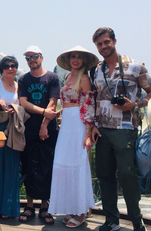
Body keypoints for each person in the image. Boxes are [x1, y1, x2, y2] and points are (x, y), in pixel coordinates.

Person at [91, 28, 151, 231]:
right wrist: (93, 125)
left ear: (114, 41)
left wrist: (135, 105)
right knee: (104, 175)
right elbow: (94, 99)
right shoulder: (96, 69)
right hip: (102, 130)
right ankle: (111, 220)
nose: (103, 47)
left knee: (127, 175)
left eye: (106, 42)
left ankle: (137, 221)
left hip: (126, 128)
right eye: (99, 44)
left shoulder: (135, 66)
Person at [48, 46, 99, 227]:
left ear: (84, 60)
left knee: (77, 165)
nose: (75, 60)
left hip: (78, 124)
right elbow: (69, 103)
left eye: (79, 57)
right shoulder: (68, 77)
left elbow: (88, 106)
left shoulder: (84, 79)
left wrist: (87, 133)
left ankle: (80, 212)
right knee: (63, 164)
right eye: (73, 57)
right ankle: (70, 207)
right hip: (67, 124)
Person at [18, 46, 60, 225]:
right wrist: (43, 112)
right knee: (28, 166)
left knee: (46, 167)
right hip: (29, 129)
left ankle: (44, 206)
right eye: (28, 58)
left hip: (49, 130)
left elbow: (53, 102)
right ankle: (29, 205)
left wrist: (44, 125)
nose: (31, 60)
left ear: (41, 58)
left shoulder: (52, 78)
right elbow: (23, 102)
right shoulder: (23, 79)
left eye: (34, 57)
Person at [0, 56, 21, 220]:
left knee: (11, 168)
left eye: (13, 66)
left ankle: (7, 208)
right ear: (2, 68)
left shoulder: (18, 85)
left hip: (13, 129)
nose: (10, 69)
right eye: (7, 66)